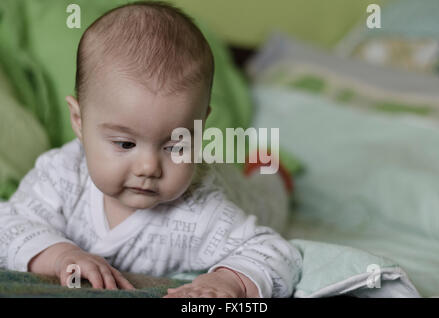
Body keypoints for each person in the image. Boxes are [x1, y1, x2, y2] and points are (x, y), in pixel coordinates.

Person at [0, 1, 301, 298]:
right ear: (79, 121)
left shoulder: (204, 210)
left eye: (175, 146)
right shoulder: (60, 177)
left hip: (241, 191)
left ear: (200, 128)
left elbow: (275, 253)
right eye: (125, 144)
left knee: (268, 199)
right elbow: (9, 225)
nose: (148, 167)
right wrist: (60, 255)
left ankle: (271, 168)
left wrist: (227, 282)